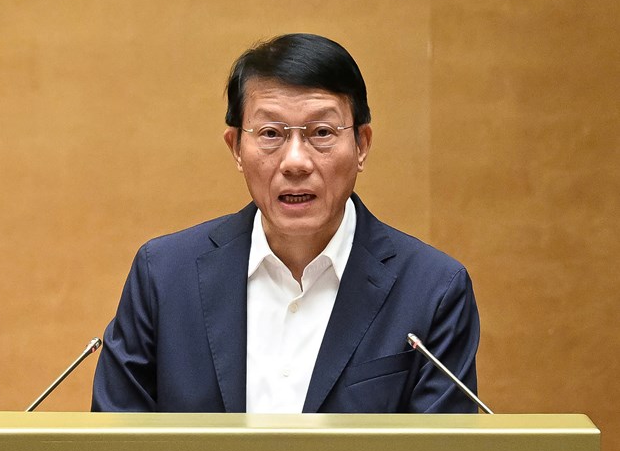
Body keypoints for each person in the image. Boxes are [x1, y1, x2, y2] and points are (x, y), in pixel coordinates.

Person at [91, 33, 480, 413]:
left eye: (322, 133)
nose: (296, 161)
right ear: (236, 149)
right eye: (271, 134)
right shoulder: (163, 277)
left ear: (361, 145)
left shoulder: (433, 291)